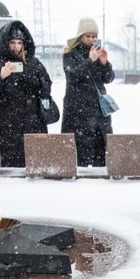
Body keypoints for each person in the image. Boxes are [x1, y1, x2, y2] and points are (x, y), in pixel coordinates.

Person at [0, 20, 53, 167]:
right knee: (8, 167)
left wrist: (32, 81)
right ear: (6, 42)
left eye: (19, 42)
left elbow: (46, 87)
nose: (16, 47)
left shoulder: (33, 62)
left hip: (32, 122)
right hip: (5, 123)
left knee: (34, 163)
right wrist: (0, 76)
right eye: (12, 42)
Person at [61, 18, 115, 167]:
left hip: (98, 111)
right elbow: (72, 76)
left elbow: (108, 78)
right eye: (88, 36)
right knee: (79, 155)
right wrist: (89, 60)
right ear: (81, 36)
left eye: (94, 36)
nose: (91, 39)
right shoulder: (70, 54)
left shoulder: (98, 54)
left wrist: (104, 62)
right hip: (77, 111)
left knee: (101, 153)